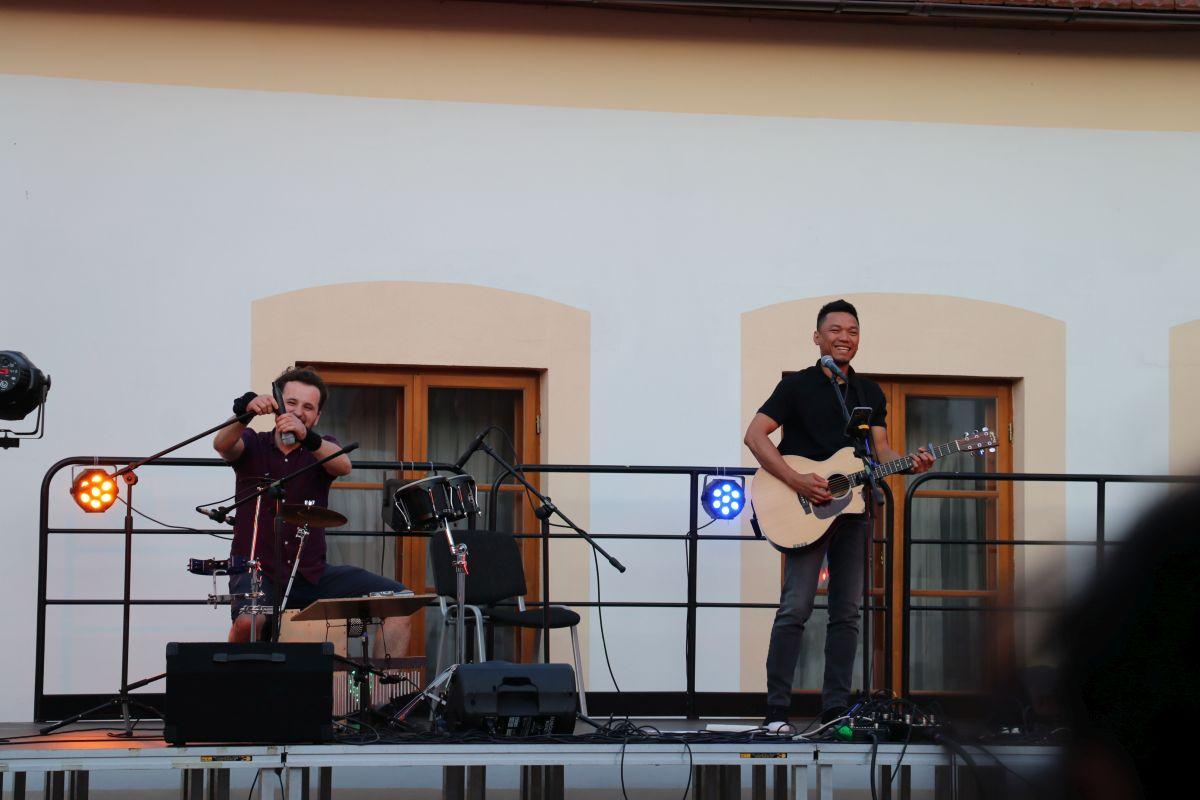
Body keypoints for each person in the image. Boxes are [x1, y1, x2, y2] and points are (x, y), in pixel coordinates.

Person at [744, 299, 933, 730]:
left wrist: (911, 463)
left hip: (855, 511)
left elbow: (881, 452)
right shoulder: (796, 386)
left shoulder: (869, 393)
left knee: (847, 612)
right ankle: (777, 712)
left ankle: (834, 710)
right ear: (817, 337)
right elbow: (755, 436)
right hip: (805, 509)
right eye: (835, 330)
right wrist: (796, 480)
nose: (844, 337)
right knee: (795, 607)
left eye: (852, 331)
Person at [213, 367, 411, 656]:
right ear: (279, 405)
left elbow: (343, 465)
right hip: (256, 571)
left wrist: (307, 437)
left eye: (308, 407)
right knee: (248, 622)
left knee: (400, 601)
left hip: (309, 575)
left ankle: (383, 685)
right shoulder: (254, 442)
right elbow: (222, 444)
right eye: (291, 403)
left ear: (317, 417)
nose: (298, 412)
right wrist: (244, 413)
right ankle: (230, 681)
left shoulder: (321, 447)